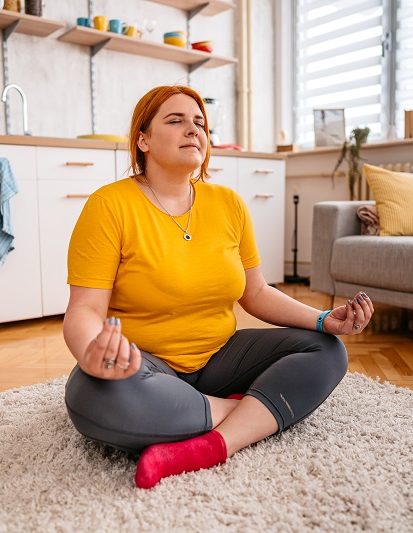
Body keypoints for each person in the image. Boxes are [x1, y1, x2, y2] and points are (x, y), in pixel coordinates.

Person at [63, 85, 374, 489]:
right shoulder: (109, 205)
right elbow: (85, 309)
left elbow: (256, 292)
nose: (193, 130)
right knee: (89, 395)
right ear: (143, 140)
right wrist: (93, 355)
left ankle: (212, 444)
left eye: (199, 123)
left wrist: (323, 320)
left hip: (221, 359)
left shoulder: (229, 204)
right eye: (175, 121)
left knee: (327, 351)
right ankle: (246, 412)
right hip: (146, 364)